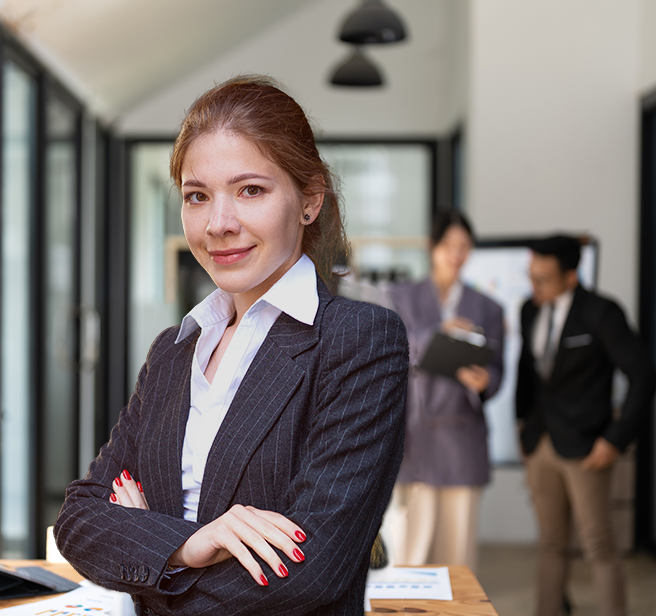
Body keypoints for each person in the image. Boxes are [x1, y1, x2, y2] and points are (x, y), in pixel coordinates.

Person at [54, 76, 409, 616]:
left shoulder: (357, 342)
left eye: (251, 191)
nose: (218, 224)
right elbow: (79, 519)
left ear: (309, 201)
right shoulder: (173, 351)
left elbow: (308, 572)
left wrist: (148, 547)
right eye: (197, 196)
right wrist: (190, 545)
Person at [516, 235, 656, 616]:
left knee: (598, 544)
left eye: (543, 278)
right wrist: (520, 427)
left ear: (572, 276)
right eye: (531, 276)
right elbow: (526, 375)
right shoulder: (529, 309)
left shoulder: (601, 312)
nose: (534, 286)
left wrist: (615, 439)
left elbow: (643, 375)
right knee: (550, 542)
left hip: (586, 446)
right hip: (541, 443)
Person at [388, 210, 505, 571]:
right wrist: (438, 332)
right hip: (413, 438)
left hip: (460, 439)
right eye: (448, 246)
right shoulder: (399, 297)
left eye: (464, 246)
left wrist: (486, 381)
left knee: (456, 558)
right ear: (432, 247)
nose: (456, 254)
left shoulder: (488, 307)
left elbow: (498, 370)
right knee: (408, 555)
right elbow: (388, 352)